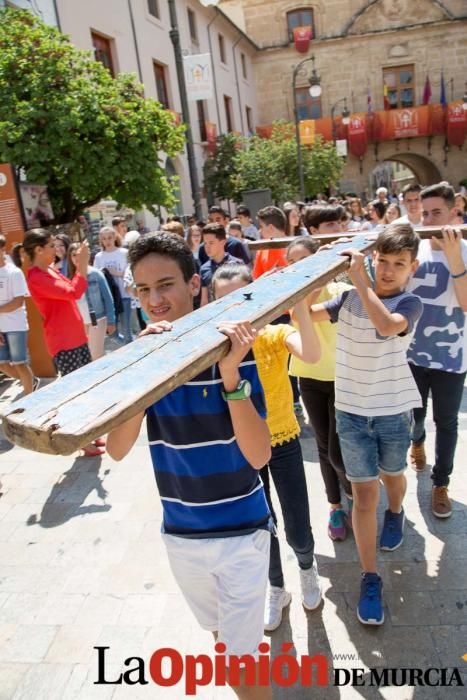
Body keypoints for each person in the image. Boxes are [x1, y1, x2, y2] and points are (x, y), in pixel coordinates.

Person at [106, 233, 272, 699]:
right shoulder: (143, 357)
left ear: (194, 283)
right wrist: (142, 369)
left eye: (165, 285)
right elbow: (117, 449)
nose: (155, 300)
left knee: (242, 664)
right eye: (142, 290)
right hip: (181, 532)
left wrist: (231, 375)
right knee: (223, 642)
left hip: (241, 532)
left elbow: (259, 455)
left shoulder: (234, 347)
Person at [310, 225, 423, 625]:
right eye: (383, 261)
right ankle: (370, 576)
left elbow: (387, 326)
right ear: (373, 259)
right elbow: (305, 312)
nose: (389, 270)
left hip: (393, 412)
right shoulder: (345, 300)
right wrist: (308, 275)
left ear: (413, 268)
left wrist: (359, 280)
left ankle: (397, 513)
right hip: (352, 413)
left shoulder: (410, 303)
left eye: (399, 264)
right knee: (363, 495)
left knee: (393, 477)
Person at [212, 263, 323, 632]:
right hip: (242, 449)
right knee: (263, 525)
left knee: (296, 521)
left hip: (284, 442)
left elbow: (309, 352)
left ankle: (307, 568)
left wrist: (301, 306)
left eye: (242, 300)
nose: (235, 312)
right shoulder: (211, 349)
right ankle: (277, 587)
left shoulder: (273, 335)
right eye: (224, 303)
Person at [287, 237, 354, 542]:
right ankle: (335, 506)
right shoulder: (293, 293)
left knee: (339, 450)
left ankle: (354, 494)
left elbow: (311, 313)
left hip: (342, 378)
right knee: (324, 449)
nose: (300, 268)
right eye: (295, 263)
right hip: (309, 376)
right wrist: (312, 278)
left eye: (307, 260)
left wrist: (323, 273)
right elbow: (295, 317)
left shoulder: (341, 289)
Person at [406, 183, 467, 518]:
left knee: (446, 422)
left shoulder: (466, 250)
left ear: (453, 212)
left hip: (451, 356)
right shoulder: (413, 248)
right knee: (414, 415)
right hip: (412, 354)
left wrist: (455, 256)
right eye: (424, 212)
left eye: (436, 213)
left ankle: (440, 483)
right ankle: (416, 442)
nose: (428, 219)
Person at [22, 229, 104, 456]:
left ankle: (89, 433)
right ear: (38, 249)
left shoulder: (47, 270)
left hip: (75, 338)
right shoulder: (37, 277)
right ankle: (80, 441)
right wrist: (83, 264)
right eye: (50, 245)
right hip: (64, 342)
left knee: (85, 389)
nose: (55, 249)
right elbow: (74, 291)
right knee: (74, 394)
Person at [0, 235, 37, 394]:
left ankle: (30, 397)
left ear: (2, 249)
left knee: (19, 363)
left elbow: (18, 302)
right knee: (2, 364)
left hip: (16, 325)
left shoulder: (14, 272)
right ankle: (31, 381)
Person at [67, 242, 116, 360]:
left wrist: (111, 321)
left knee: (95, 354)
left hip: (97, 319)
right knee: (89, 356)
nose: (77, 258)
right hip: (81, 322)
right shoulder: (70, 277)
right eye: (73, 255)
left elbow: (108, 299)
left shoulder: (95, 274)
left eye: (79, 254)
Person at [93, 226, 133, 344]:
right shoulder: (99, 257)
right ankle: (129, 347)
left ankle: (133, 354)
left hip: (124, 295)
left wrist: (117, 273)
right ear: (101, 240)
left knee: (127, 330)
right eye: (104, 238)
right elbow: (95, 277)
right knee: (112, 334)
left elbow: (131, 272)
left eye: (110, 238)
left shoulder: (124, 253)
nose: (107, 241)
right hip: (109, 298)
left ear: (115, 237)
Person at [199, 223, 242, 306]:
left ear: (223, 242)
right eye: (205, 243)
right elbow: (204, 301)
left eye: (211, 243)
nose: (207, 247)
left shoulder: (238, 265)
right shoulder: (204, 268)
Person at [253, 206, 289, 279]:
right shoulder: (262, 250)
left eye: (261, 226)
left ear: (270, 228)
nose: (259, 231)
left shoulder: (295, 248)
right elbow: (255, 280)